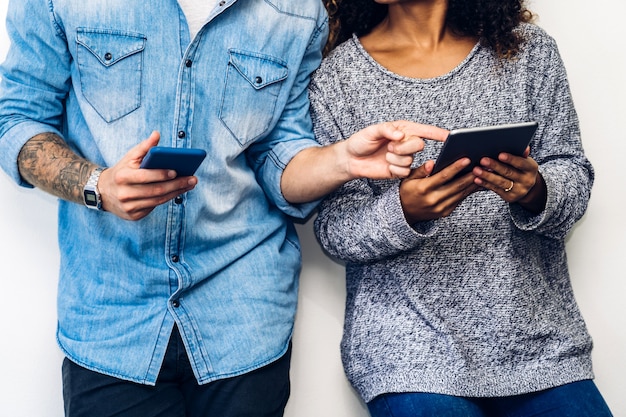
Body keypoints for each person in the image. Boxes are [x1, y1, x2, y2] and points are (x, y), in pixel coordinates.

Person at [0, 1, 449, 416]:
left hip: (243, 320)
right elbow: (16, 116)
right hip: (112, 319)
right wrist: (97, 185)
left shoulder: (297, 10)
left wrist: (340, 160)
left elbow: (278, 151)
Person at [311, 0, 614, 416]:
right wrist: (404, 212)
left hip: (540, 348)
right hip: (407, 358)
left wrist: (535, 190)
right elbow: (333, 230)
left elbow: (574, 176)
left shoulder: (527, 52)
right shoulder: (338, 77)